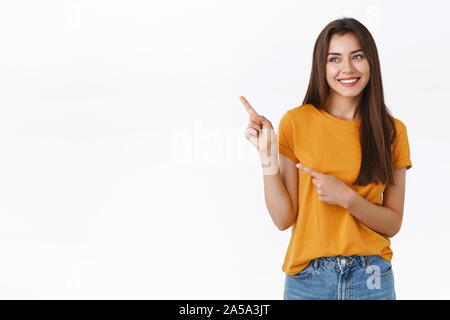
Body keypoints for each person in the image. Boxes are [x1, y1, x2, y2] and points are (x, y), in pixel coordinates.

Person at [240, 17, 412, 300]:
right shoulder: (297, 122)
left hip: (372, 279)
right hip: (308, 280)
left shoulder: (392, 131)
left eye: (357, 56)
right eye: (335, 59)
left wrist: (348, 198)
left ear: (372, 62)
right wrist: (267, 156)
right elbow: (283, 219)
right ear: (321, 66)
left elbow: (393, 223)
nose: (347, 68)